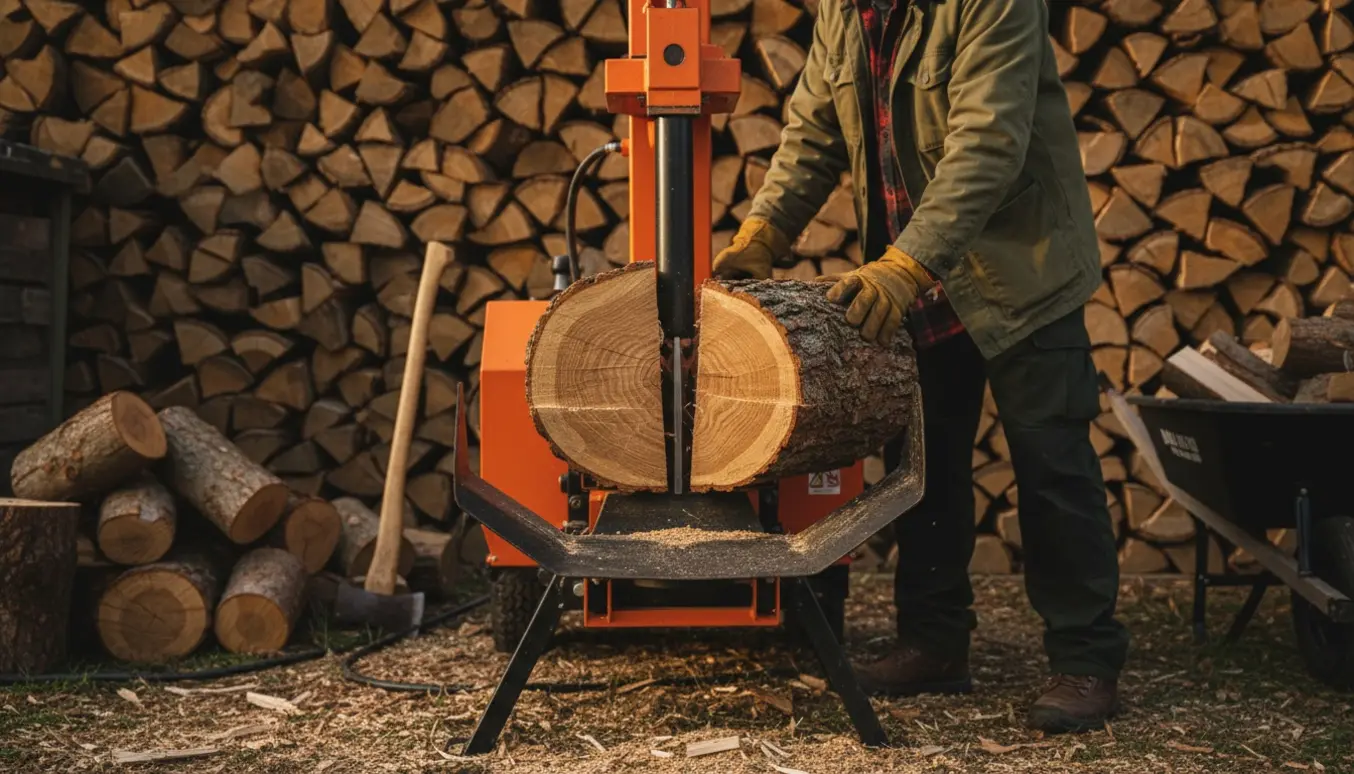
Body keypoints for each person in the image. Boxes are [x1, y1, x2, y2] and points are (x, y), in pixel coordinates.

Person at [712, 0, 1128, 733]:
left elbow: (988, 144)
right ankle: (934, 644)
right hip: (919, 281)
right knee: (921, 470)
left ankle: (1086, 658)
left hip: (1020, 271)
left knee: (1052, 464)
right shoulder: (847, 10)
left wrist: (905, 265)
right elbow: (812, 131)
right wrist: (763, 232)